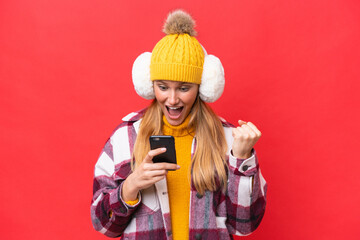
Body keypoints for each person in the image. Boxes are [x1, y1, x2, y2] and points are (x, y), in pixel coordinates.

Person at [91, 10, 267, 240]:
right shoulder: (125, 137)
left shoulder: (228, 139)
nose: (172, 99)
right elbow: (103, 225)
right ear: (149, 84)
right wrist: (130, 187)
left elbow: (245, 226)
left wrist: (241, 160)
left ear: (203, 87)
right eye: (163, 87)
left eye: (184, 88)